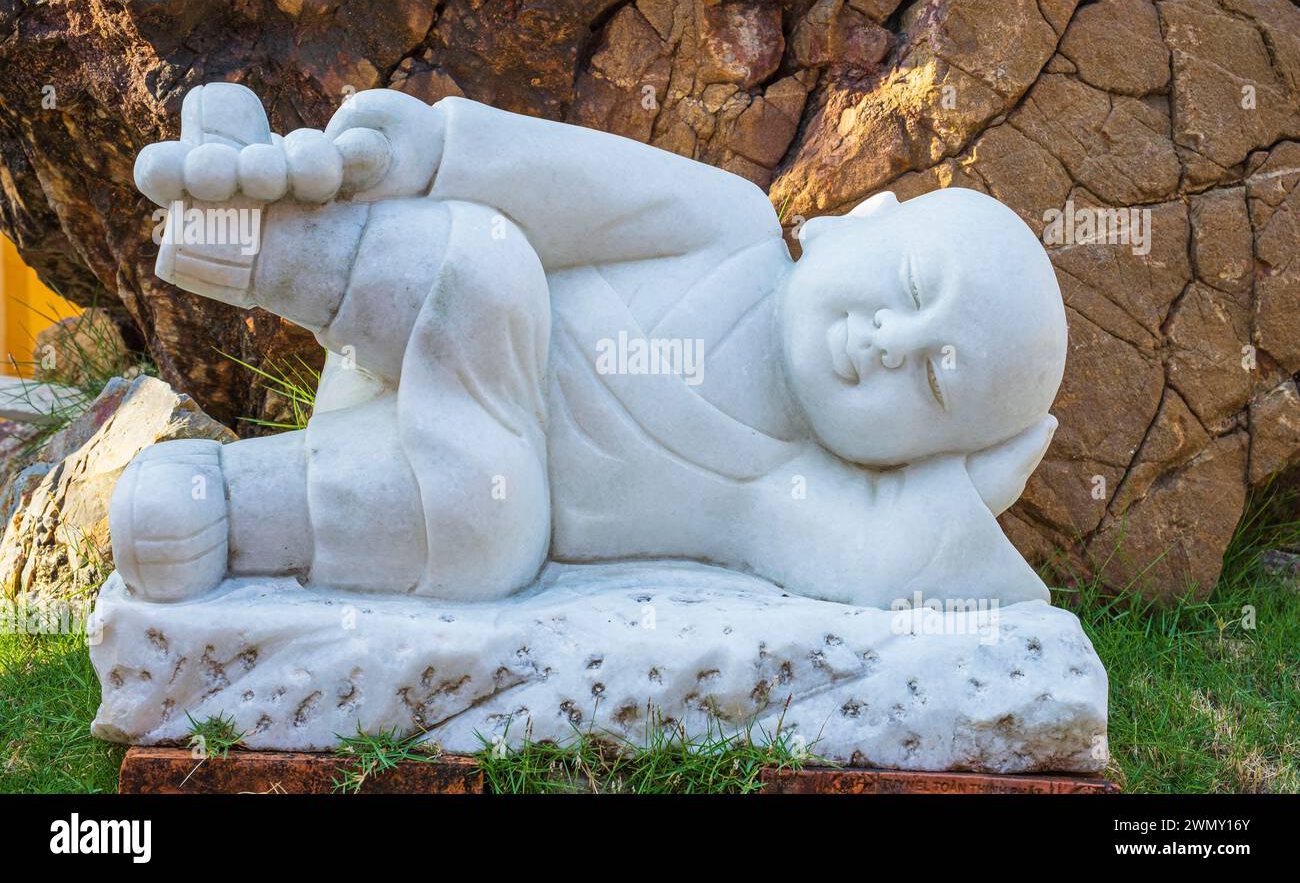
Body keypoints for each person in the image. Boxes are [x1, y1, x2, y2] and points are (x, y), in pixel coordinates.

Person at [114, 83, 1066, 608]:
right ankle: (238, 228)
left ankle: (226, 504)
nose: (887, 342)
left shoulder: (782, 491)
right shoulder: (726, 229)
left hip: (450, 461)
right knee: (484, 255)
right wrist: (424, 152)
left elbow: (880, 561)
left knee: (485, 538)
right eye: (909, 292)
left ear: (909, 457)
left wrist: (964, 495)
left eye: (935, 384)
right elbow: (558, 178)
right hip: (426, 318)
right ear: (860, 220)